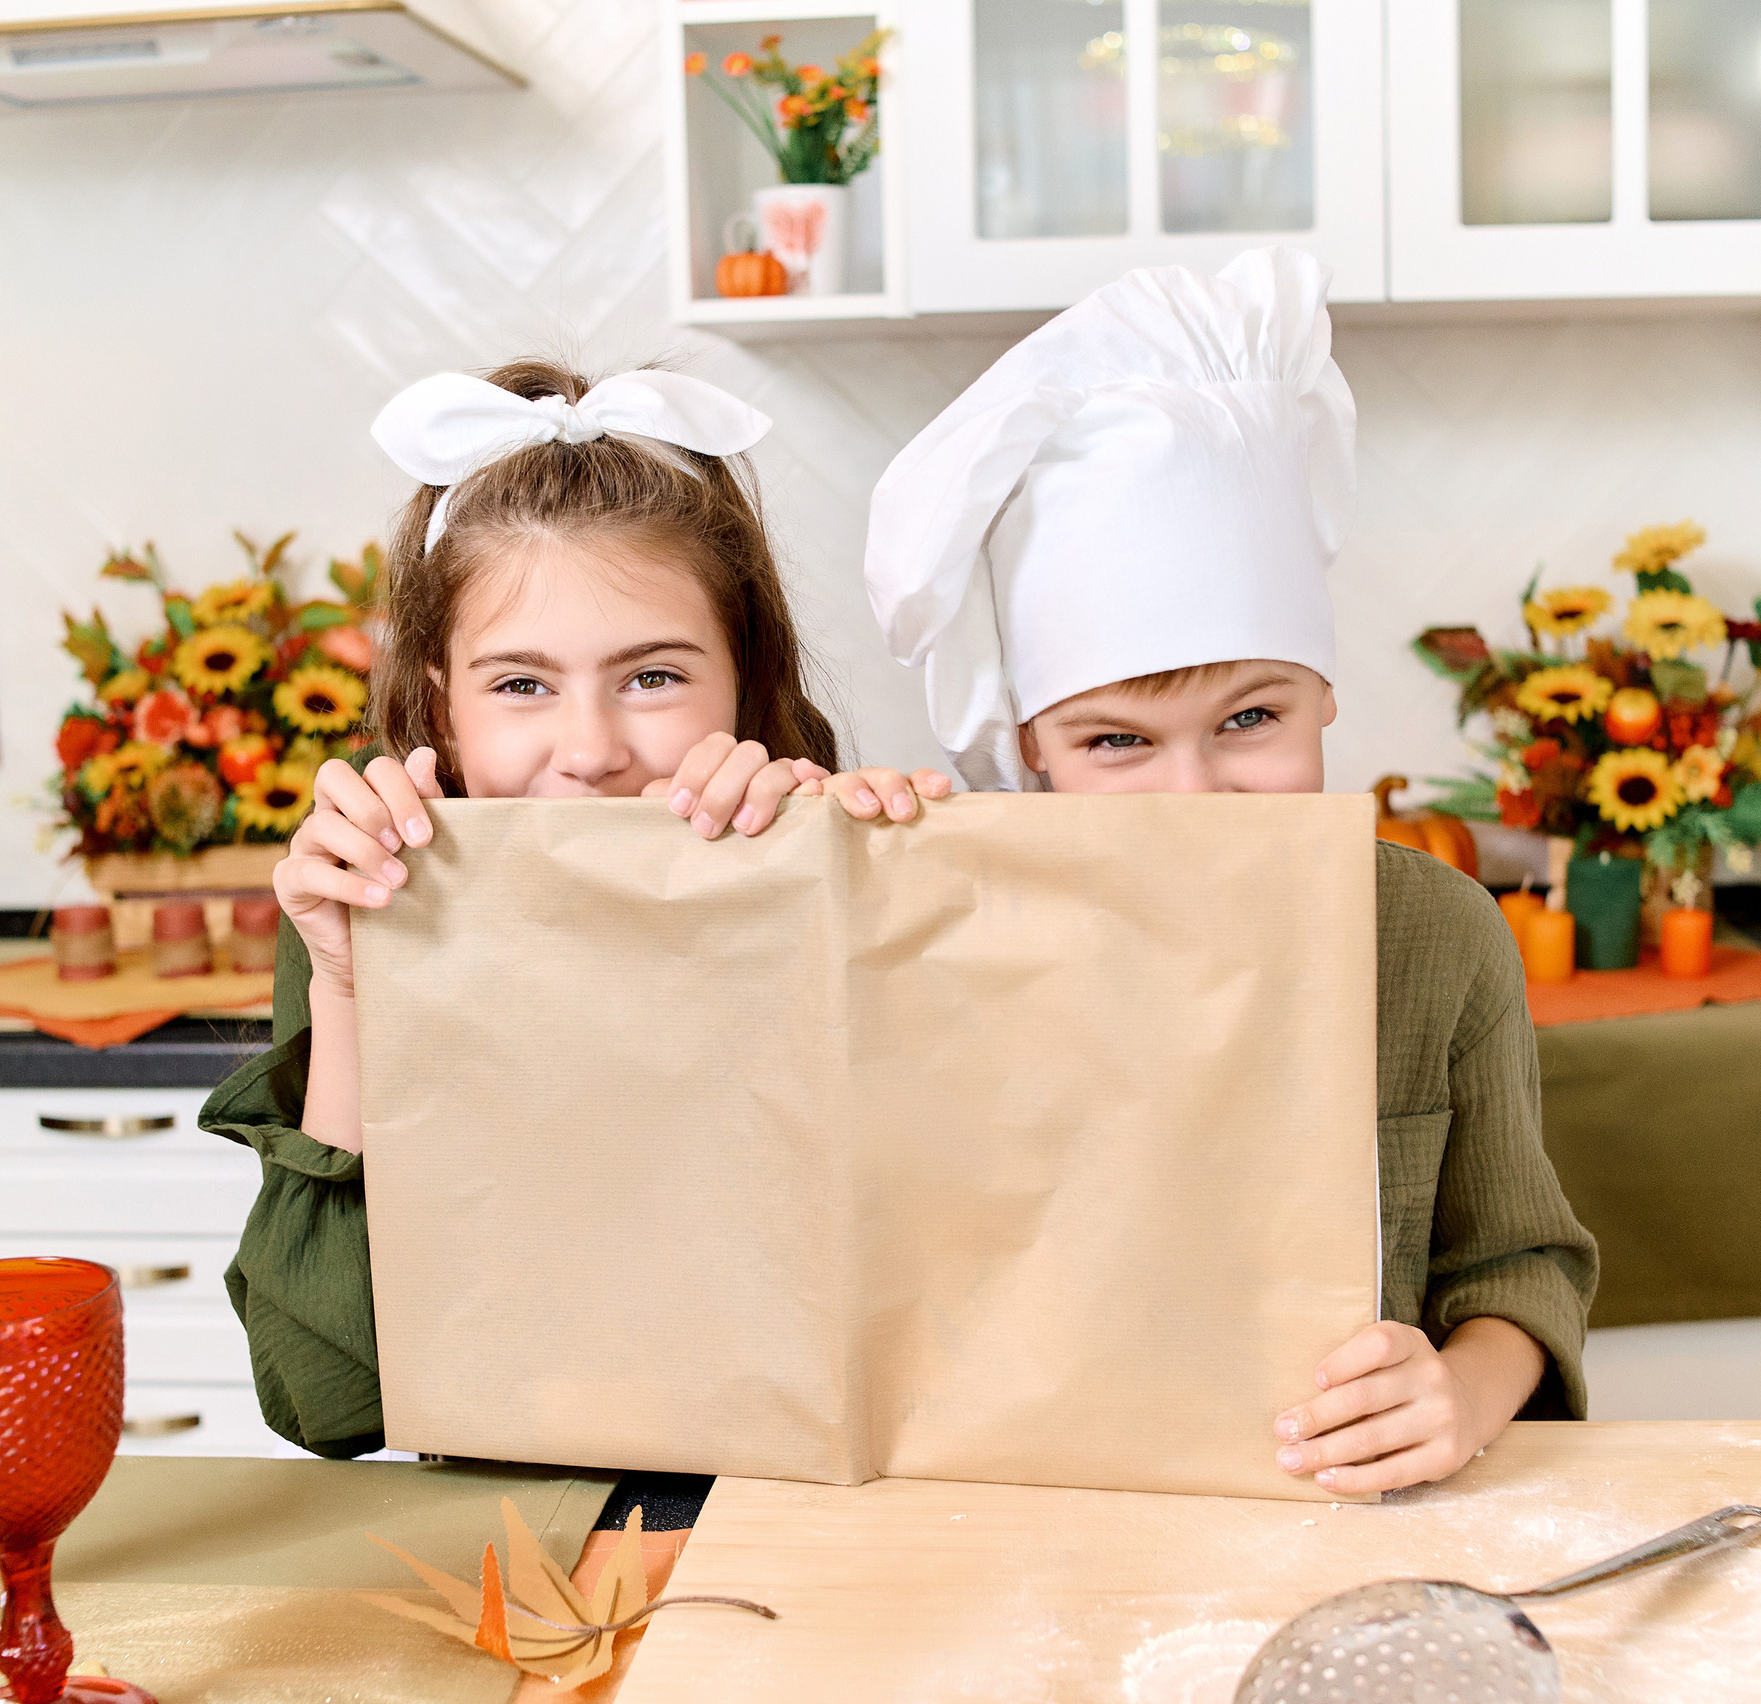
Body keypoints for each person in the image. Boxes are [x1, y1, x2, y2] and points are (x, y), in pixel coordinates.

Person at [860, 248, 1600, 1497]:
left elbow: (1519, 1266)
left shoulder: (1433, 934)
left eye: (1251, 718)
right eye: (1116, 743)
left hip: (1338, 1506)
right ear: (1029, 749)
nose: (1193, 793)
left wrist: (1465, 1390)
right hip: (1016, 1513)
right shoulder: (942, 936)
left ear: (1324, 694)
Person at [203, 359, 945, 1456]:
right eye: (521, 684)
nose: (591, 751)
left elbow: (929, 1321)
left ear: (745, 684)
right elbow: (329, 1403)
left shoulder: (824, 855)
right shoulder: (370, 887)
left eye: (652, 678)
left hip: (781, 1507)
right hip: (509, 1522)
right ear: (440, 711)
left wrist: (849, 898)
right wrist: (353, 988)